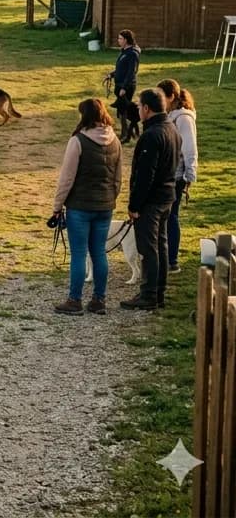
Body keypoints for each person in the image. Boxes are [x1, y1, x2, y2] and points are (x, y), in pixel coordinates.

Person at [50, 98, 122, 316]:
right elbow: (118, 178)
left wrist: (57, 206)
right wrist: (110, 197)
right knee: (99, 252)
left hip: (80, 206)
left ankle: (75, 300)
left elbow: (67, 177)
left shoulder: (78, 140)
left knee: (79, 254)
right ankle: (99, 299)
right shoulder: (115, 140)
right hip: (105, 205)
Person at [121, 88, 181, 311]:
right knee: (161, 246)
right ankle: (159, 292)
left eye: (139, 106)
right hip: (167, 196)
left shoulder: (152, 135)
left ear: (146, 108)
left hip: (151, 200)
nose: (138, 110)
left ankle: (148, 294)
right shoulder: (172, 129)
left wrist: (135, 205)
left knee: (148, 249)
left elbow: (145, 175)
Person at [156, 79, 198, 274]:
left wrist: (189, 175)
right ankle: (165, 257)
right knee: (166, 216)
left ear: (171, 96)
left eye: (161, 96)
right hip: (169, 173)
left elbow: (190, 149)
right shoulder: (171, 116)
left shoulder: (183, 119)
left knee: (171, 216)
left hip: (177, 175)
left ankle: (171, 260)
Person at [106, 29, 141, 102]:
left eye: (120, 38)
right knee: (120, 107)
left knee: (125, 108)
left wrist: (124, 88)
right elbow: (122, 69)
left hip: (126, 87)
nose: (118, 40)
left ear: (126, 40)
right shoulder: (124, 52)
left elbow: (131, 72)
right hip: (119, 85)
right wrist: (111, 74)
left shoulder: (132, 54)